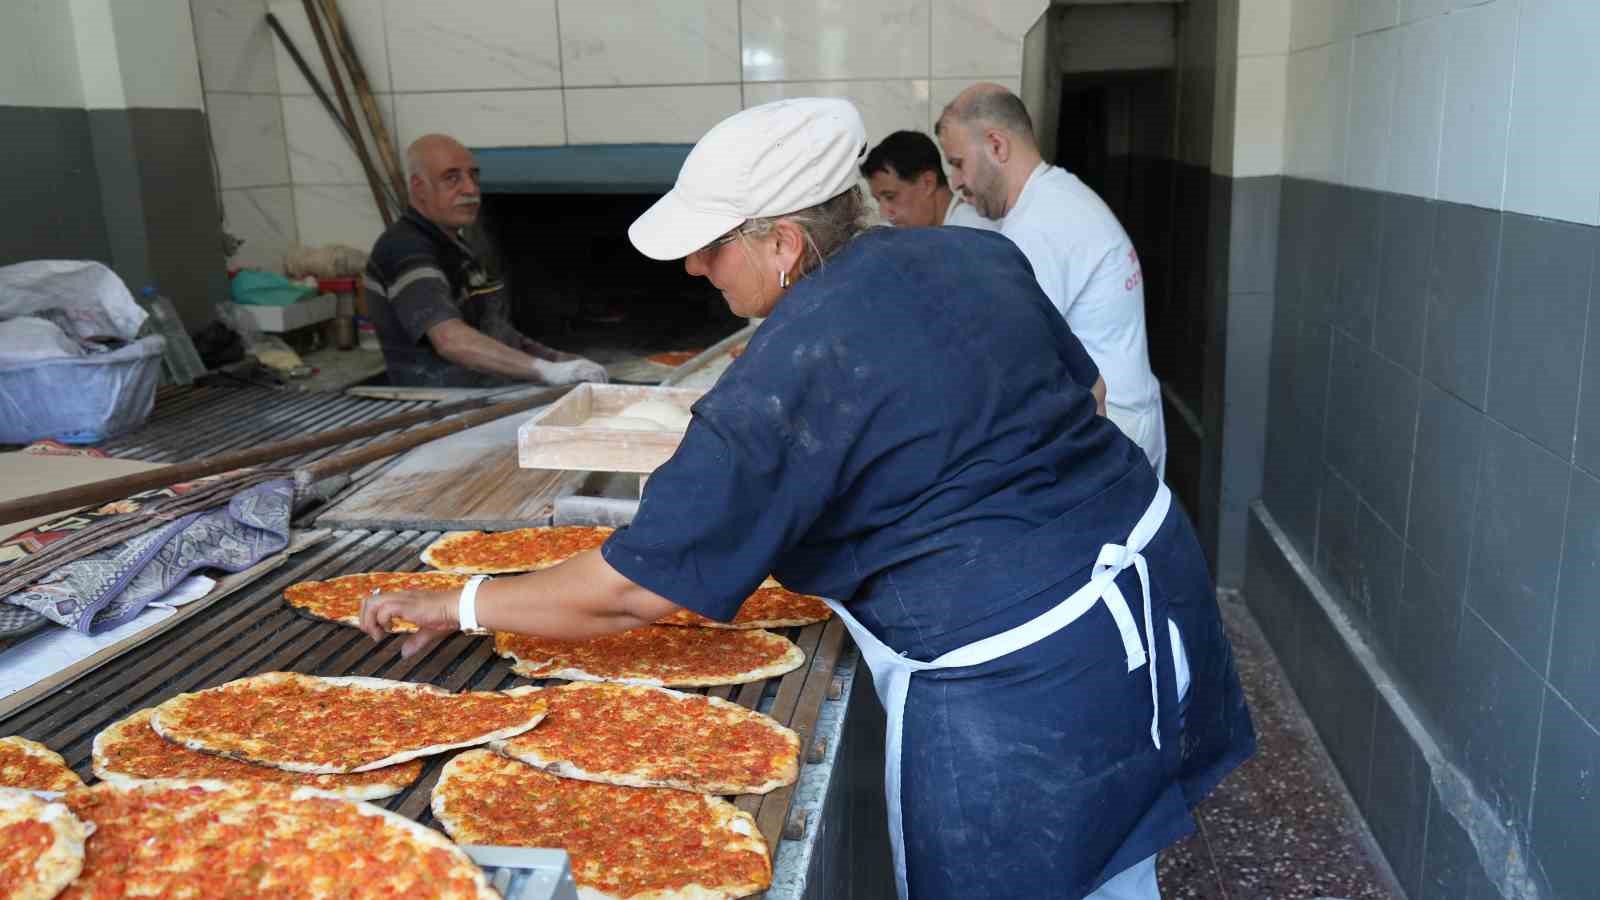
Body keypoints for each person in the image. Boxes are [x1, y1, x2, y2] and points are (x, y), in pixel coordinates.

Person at [361, 99, 1253, 900]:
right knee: (1116, 870)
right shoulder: (974, 252)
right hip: (1152, 583)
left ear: (784, 243)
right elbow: (1087, 398)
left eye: (712, 247)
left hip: (1020, 682)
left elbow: (638, 587)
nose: (697, 271)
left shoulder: (786, 373)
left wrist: (458, 603)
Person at [938, 84, 1168, 477]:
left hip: (1108, 432)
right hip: (1124, 417)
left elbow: (1012, 361)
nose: (955, 181)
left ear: (997, 146)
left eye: (958, 163)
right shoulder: (1058, 196)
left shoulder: (1041, 226)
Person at [363, 133, 607, 387]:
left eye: (473, 176)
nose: (471, 189)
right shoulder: (405, 248)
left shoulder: (455, 247)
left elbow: (498, 334)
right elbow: (450, 340)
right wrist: (546, 371)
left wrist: (563, 362)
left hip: (482, 390)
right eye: (452, 178)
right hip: (437, 405)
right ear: (418, 187)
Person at [860, 130, 996, 229]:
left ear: (928, 183)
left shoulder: (976, 234)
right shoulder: (903, 232)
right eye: (878, 201)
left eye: (890, 197)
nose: (884, 213)